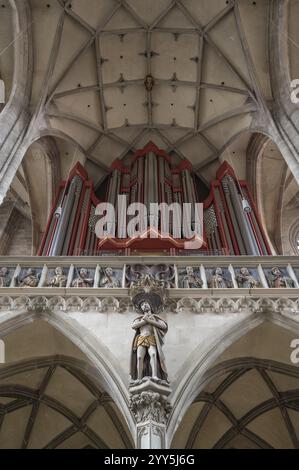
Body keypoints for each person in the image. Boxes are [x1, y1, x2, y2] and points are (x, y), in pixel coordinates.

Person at [130, 300, 168, 383]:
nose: (145, 306)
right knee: (139, 357)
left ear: (150, 306)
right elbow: (133, 326)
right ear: (141, 308)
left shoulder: (155, 318)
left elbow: (164, 326)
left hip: (151, 337)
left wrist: (150, 320)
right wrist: (145, 320)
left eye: (146, 304)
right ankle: (139, 378)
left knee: (153, 354)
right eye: (143, 305)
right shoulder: (140, 318)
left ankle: (154, 375)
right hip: (141, 338)